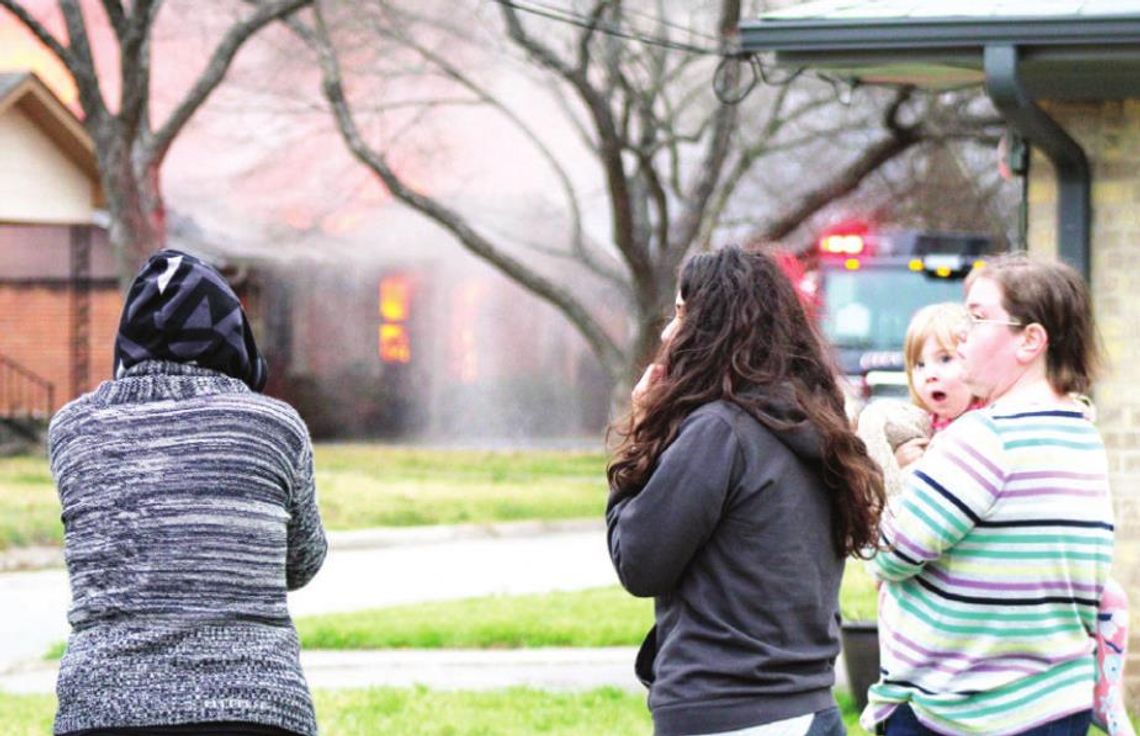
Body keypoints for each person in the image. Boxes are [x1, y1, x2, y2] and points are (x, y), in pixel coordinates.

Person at [606, 246, 886, 736]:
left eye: (680, 313)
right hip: (809, 707)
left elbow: (640, 561)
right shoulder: (813, 423)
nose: (669, 332)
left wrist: (643, 433)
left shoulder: (719, 432)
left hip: (729, 711)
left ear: (713, 328)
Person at [49, 250, 327, 736]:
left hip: (102, 707)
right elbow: (302, 563)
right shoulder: (275, 426)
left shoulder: (72, 429)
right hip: (254, 706)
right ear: (232, 336)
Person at [861, 255, 1115, 735]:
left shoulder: (985, 437)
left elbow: (888, 554)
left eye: (976, 318)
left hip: (960, 714)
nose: (960, 335)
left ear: (1030, 340)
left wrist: (882, 460)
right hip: (1055, 706)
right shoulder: (1081, 434)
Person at [856, 303, 981, 500]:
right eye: (919, 365)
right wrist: (896, 464)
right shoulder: (917, 428)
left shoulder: (986, 426)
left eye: (945, 359)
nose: (930, 374)